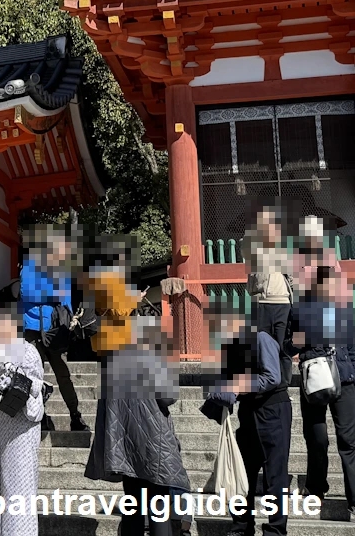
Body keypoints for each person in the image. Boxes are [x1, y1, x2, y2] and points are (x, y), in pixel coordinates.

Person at [84, 315, 189, 536]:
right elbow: (168, 396)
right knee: (158, 501)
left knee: (133, 502)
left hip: (124, 441)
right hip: (153, 437)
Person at [201, 301, 292, 536]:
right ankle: (242, 525)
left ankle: (275, 529)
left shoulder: (261, 339)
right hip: (248, 414)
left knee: (275, 475)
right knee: (242, 471)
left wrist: (240, 385)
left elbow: (273, 377)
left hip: (273, 410)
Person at [289, 265, 355, 513]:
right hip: (314, 377)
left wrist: (352, 372)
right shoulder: (297, 311)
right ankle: (316, 488)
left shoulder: (343, 308)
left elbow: (352, 345)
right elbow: (288, 346)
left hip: (345, 379)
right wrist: (300, 340)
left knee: (349, 441)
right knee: (316, 438)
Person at [0, 307, 45, 536]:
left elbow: (39, 385)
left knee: (21, 486)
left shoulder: (29, 352)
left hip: (23, 427)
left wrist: (18, 382)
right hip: (5, 424)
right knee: (1, 485)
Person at [19, 225, 87, 432]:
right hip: (33, 328)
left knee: (62, 374)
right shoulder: (29, 265)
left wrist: (69, 318)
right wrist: (53, 292)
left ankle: (75, 415)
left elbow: (65, 296)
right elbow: (26, 292)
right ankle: (39, 416)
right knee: (33, 374)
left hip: (55, 328)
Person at [246, 203, 293, 347]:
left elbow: (291, 275)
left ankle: (284, 371)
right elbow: (251, 279)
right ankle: (267, 370)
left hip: (281, 302)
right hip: (262, 303)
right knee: (263, 346)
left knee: (283, 347)